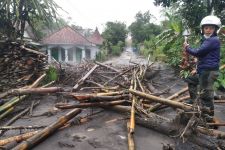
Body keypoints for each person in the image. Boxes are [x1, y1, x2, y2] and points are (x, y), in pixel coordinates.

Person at [184, 15, 221, 122]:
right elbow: (204, 55)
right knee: (191, 79)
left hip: (208, 72)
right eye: (206, 28)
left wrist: (187, 48)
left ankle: (208, 118)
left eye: (211, 28)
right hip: (204, 70)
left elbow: (199, 52)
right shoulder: (207, 40)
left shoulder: (212, 40)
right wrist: (197, 66)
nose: (208, 30)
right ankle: (193, 99)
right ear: (202, 29)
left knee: (206, 96)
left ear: (215, 30)